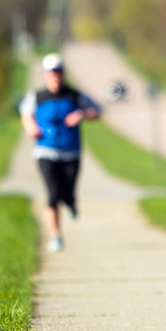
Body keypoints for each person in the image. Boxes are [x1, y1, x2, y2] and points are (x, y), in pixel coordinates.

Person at [19, 53, 102, 253]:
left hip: (70, 152)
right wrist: (30, 127)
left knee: (68, 192)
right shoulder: (37, 97)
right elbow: (25, 113)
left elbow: (97, 111)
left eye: (58, 72)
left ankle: (71, 202)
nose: (55, 77)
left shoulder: (75, 95)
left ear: (63, 73)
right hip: (45, 150)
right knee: (53, 193)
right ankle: (56, 236)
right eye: (51, 73)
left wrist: (81, 114)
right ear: (45, 75)